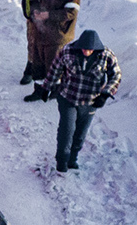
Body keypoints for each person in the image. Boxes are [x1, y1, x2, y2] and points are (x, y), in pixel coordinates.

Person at [44, 29, 120, 172]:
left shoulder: (106, 55)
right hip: (68, 97)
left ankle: (72, 159)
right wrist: (46, 87)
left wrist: (105, 94)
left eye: (90, 50)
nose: (86, 52)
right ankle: (62, 161)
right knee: (67, 131)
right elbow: (55, 69)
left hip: (90, 102)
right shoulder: (68, 51)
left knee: (80, 134)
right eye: (84, 49)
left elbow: (116, 75)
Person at [23, 0, 81, 101]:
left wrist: (48, 15)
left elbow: (71, 12)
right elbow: (34, 0)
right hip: (40, 32)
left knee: (53, 65)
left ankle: (56, 91)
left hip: (58, 35)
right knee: (38, 63)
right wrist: (36, 12)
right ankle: (38, 90)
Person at [19, 0, 51, 86]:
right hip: (32, 18)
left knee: (34, 45)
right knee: (33, 44)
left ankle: (31, 71)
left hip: (37, 20)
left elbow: (42, 1)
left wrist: (35, 15)